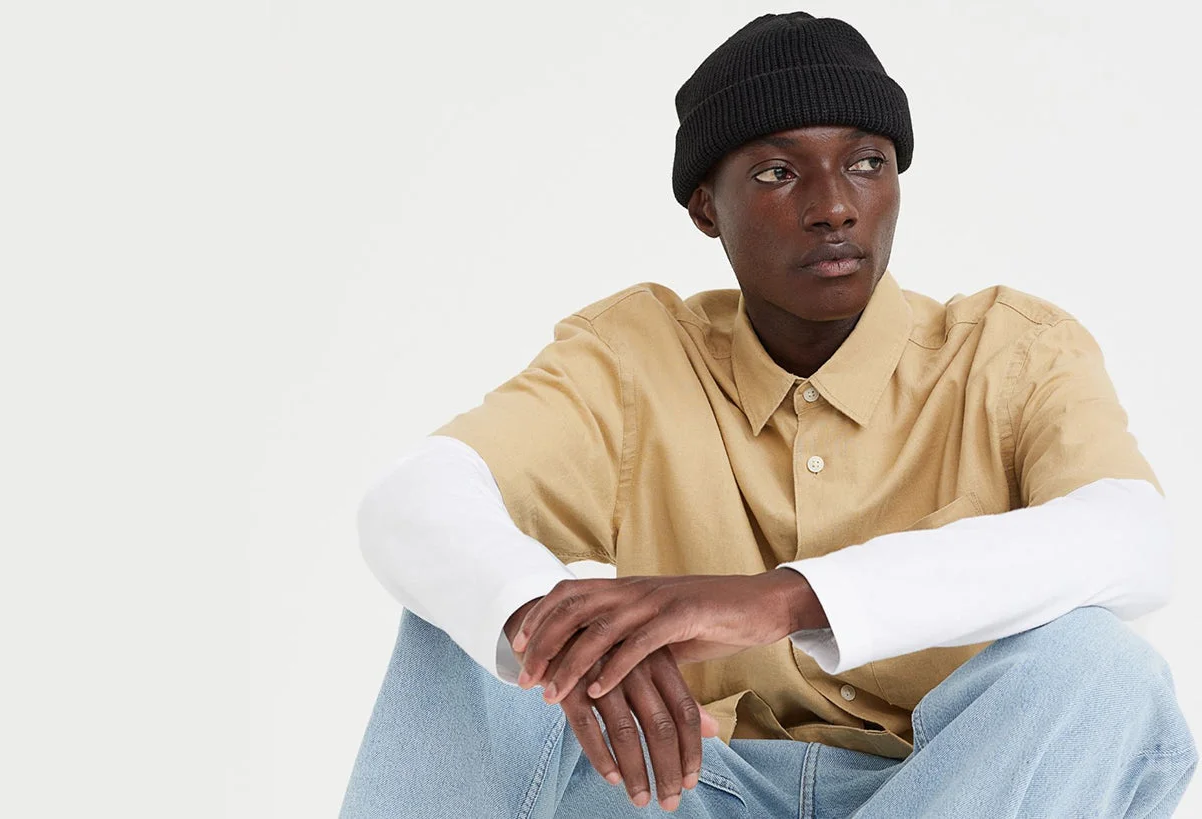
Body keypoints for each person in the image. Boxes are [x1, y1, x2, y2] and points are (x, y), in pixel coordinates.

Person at [341, 11, 1197, 819]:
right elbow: (415, 494)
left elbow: (1132, 536)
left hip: (953, 787)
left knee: (1102, 669)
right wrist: (547, 623)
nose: (834, 205)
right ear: (705, 207)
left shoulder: (1011, 353)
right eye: (778, 173)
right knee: (474, 615)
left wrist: (788, 599)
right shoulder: (635, 361)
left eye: (867, 163)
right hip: (684, 785)